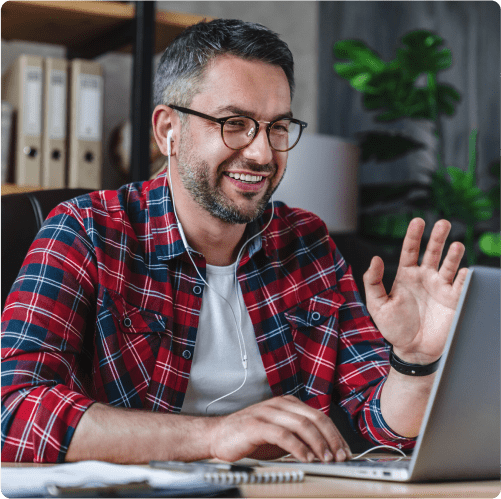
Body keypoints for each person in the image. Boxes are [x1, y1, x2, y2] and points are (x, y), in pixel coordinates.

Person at [0, 19, 467, 465]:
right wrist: (216, 435)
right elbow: (13, 412)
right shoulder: (87, 231)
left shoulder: (307, 243)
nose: (262, 153)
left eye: (278, 127)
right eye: (234, 123)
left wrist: (415, 361)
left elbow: (377, 423)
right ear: (168, 131)